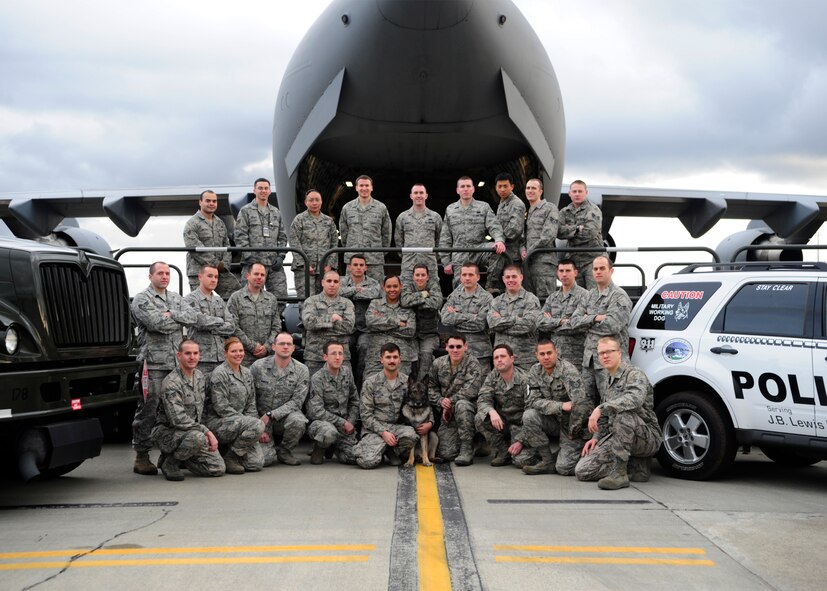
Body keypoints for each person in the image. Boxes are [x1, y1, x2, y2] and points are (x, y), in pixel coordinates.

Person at [131, 261, 197, 476]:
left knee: (176, 409)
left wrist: (170, 314)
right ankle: (142, 455)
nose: (165, 276)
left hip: (175, 365)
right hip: (154, 364)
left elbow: (192, 317)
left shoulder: (176, 298)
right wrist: (174, 317)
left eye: (167, 273)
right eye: (160, 273)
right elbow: (156, 324)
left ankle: (170, 454)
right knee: (149, 408)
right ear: (150, 276)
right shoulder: (142, 299)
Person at [575, 336, 661, 489]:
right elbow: (605, 417)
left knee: (623, 415)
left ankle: (619, 474)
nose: (605, 356)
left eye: (609, 351)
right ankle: (635, 465)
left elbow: (635, 399)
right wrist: (596, 437)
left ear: (620, 353)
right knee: (582, 471)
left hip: (646, 436)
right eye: (601, 353)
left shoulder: (634, 374)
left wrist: (600, 408)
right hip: (619, 436)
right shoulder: (608, 379)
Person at [152, 340, 225, 481]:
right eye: (188, 353)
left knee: (217, 468)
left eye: (195, 353)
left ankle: (180, 456)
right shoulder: (172, 382)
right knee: (197, 438)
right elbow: (177, 419)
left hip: (192, 433)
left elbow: (202, 410)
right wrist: (206, 432)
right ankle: (171, 463)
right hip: (168, 432)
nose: (192, 357)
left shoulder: (199, 376)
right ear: (179, 355)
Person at [568, 255, 633, 406]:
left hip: (610, 362)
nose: (598, 272)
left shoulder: (619, 296)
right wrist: (595, 318)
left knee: (611, 403)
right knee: (585, 404)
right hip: (589, 360)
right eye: (595, 269)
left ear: (611, 271)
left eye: (602, 268)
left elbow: (612, 325)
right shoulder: (589, 295)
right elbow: (574, 322)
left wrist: (587, 320)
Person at [522, 340, 592, 475]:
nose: (546, 357)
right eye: (542, 354)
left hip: (574, 424)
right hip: (554, 420)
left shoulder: (568, 370)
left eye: (549, 353)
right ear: (536, 355)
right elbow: (532, 401)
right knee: (529, 416)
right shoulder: (535, 371)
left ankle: (574, 451)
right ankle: (547, 461)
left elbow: (580, 404)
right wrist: (560, 406)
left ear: (556, 353)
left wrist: (573, 432)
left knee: (564, 468)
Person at [355, 343, 424, 469]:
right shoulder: (371, 383)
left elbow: (422, 403)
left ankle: (388, 450)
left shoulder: (407, 382)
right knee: (367, 462)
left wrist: (430, 421)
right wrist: (383, 433)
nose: (392, 360)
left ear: (400, 359)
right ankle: (381, 449)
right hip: (375, 429)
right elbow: (366, 415)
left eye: (395, 357)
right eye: (388, 357)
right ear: (381, 359)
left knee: (411, 437)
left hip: (397, 427)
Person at [205, 337, 265, 474]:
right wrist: (249, 423)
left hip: (241, 423)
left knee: (256, 464)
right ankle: (231, 457)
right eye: (233, 351)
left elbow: (251, 404)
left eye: (241, 350)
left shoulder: (247, 373)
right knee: (257, 425)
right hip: (219, 422)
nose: (238, 354)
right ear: (225, 353)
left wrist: (250, 422)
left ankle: (229, 449)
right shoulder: (220, 374)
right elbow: (221, 407)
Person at [439, 176, 506, 292]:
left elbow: (494, 226)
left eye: (468, 186)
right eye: (462, 186)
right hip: (460, 252)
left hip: (479, 248)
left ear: (473, 189)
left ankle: (491, 285)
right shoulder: (450, 209)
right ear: (457, 190)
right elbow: (445, 237)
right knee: (459, 287)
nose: (465, 189)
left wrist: (499, 240)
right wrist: (446, 261)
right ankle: (459, 306)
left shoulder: (483, 207)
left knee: (497, 250)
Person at [251, 333, 309, 466]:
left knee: (299, 421)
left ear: (294, 348)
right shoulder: (258, 367)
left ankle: (285, 451)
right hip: (261, 418)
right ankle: (268, 450)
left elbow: (297, 401)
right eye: (282, 344)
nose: (285, 347)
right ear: (273, 347)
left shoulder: (301, 369)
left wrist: (272, 415)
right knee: (264, 461)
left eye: (289, 344)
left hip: (284, 416)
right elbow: (250, 398)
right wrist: (257, 424)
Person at [474, 344, 535, 468]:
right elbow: (483, 398)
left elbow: (533, 413)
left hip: (522, 426)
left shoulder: (525, 379)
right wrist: (491, 411)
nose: (499, 360)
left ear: (512, 359)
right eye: (496, 358)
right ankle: (503, 451)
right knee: (480, 417)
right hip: (503, 423)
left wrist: (521, 441)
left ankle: (533, 451)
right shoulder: (493, 376)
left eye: (503, 356)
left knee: (521, 462)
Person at [428, 334, 483, 466]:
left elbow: (471, 390)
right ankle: (474, 444)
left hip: (469, 411)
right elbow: (431, 387)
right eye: (451, 346)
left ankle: (467, 447)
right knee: (447, 454)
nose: (455, 350)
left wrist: (449, 402)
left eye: (459, 346)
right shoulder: (438, 364)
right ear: (446, 347)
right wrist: (440, 400)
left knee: (461, 404)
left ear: (465, 347)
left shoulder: (473, 363)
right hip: (447, 413)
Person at [305, 341, 360, 465]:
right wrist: (342, 422)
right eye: (333, 353)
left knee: (354, 458)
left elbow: (355, 401)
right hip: (323, 424)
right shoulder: (317, 378)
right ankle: (319, 449)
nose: (337, 357)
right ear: (325, 357)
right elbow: (316, 412)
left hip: (344, 426)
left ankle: (335, 448)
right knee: (329, 433)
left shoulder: (347, 373)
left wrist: (350, 422)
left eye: (340, 353)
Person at [234, 178, 288, 298]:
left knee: (280, 295)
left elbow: (282, 236)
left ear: (269, 191)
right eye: (260, 188)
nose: (263, 191)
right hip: (252, 264)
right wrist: (250, 258)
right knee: (248, 297)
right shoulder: (245, 211)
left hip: (274, 264)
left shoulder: (276, 212)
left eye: (266, 188)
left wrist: (281, 256)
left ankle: (277, 316)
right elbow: (240, 236)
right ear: (254, 190)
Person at [183, 189, 240, 299]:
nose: (211, 204)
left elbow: (226, 245)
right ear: (200, 202)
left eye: (214, 201)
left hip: (220, 271)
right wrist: (216, 264)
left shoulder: (220, 223)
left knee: (235, 294)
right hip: (199, 272)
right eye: (208, 201)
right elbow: (194, 248)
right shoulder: (192, 224)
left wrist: (225, 265)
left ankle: (227, 316)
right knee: (200, 302)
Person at [440, 262, 494, 373]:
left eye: (470, 275)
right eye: (464, 275)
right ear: (460, 277)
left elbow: (480, 324)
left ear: (478, 277)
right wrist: (472, 316)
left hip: (480, 353)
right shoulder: (455, 295)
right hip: (458, 353)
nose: (467, 278)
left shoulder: (486, 298)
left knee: (482, 387)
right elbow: (445, 319)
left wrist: (456, 316)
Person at [183, 264, 236, 375]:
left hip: (221, 358)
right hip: (200, 359)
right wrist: (220, 321)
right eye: (210, 276)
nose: (213, 280)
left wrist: (210, 327)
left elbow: (231, 327)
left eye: (216, 277)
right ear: (200, 277)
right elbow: (200, 322)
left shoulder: (219, 301)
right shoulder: (190, 299)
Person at [339, 254, 383, 386]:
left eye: (361, 265)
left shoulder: (373, 283)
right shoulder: (341, 282)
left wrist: (351, 293)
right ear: (349, 267)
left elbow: (374, 293)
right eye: (355, 265)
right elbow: (337, 292)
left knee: (364, 347)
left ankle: (359, 384)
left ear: (365, 268)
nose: (358, 268)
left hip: (365, 328)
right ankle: (346, 383)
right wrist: (356, 289)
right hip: (346, 327)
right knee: (342, 350)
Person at [486, 264, 541, 369]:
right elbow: (492, 324)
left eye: (514, 276)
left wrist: (501, 323)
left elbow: (527, 326)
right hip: (502, 359)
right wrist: (516, 319)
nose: (510, 280)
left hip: (525, 360)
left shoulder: (531, 300)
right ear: (503, 279)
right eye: (507, 277)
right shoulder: (496, 301)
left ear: (521, 277)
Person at [339, 175, 392, 283]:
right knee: (351, 289)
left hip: (374, 259)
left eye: (367, 185)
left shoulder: (381, 208)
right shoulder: (347, 208)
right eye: (361, 185)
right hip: (353, 258)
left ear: (371, 187)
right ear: (356, 188)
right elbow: (343, 233)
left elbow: (386, 233)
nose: (364, 188)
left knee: (376, 290)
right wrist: (351, 248)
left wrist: (381, 251)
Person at [226, 263, 281, 366]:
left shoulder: (271, 299)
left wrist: (267, 347)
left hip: (267, 357)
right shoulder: (236, 298)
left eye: (262, 275)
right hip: (243, 356)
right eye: (256, 274)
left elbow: (276, 326)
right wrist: (252, 346)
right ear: (247, 276)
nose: (259, 277)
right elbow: (233, 327)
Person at [301, 270, 356, 375]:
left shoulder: (347, 303)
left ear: (339, 284)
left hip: (340, 357)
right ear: (322, 283)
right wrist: (332, 318)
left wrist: (320, 324)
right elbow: (309, 322)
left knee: (343, 388)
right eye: (329, 281)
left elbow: (348, 327)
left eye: (335, 281)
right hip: (315, 356)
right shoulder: (311, 301)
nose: (332, 284)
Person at [538, 259, 589, 367]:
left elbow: (581, 325)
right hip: (554, 356)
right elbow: (540, 323)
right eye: (561, 271)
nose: (564, 274)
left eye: (568, 270)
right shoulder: (552, 297)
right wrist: (561, 321)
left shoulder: (585, 296)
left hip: (576, 355)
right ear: (557, 273)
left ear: (575, 272)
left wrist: (552, 323)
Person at [288, 188, 338, 298]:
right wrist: (305, 263)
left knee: (325, 300)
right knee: (306, 299)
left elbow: (334, 243)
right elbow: (294, 242)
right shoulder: (299, 220)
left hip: (325, 269)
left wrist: (329, 265)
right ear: (306, 202)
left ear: (321, 201)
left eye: (317, 200)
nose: (314, 203)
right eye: (311, 200)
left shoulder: (329, 221)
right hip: (304, 269)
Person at [364, 275, 417, 377]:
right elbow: (370, 323)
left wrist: (381, 328)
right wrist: (397, 323)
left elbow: (410, 330)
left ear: (401, 286)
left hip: (401, 356)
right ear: (384, 287)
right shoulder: (375, 304)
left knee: (401, 388)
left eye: (395, 286)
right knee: (371, 386)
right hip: (376, 354)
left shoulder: (407, 307)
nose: (392, 289)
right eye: (388, 287)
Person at [558, 180, 604, 288]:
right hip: (573, 262)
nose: (577, 194)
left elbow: (589, 234)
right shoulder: (564, 212)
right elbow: (558, 232)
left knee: (593, 295)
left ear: (586, 192)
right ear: (569, 193)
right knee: (576, 297)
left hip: (592, 261)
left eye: (580, 191)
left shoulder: (593, 210)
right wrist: (577, 229)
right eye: (574, 191)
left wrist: (569, 231)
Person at [394, 183, 442, 286]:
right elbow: (398, 240)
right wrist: (406, 255)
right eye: (416, 193)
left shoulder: (435, 217)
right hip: (408, 264)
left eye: (421, 193)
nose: (418, 195)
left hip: (430, 263)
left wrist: (434, 256)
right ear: (411, 196)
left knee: (432, 289)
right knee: (406, 289)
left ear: (426, 195)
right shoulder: (403, 217)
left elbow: (440, 239)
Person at [400, 265, 442, 381]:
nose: (420, 278)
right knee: (411, 357)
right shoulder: (408, 286)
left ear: (427, 277)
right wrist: (424, 294)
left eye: (423, 275)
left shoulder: (433, 286)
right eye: (417, 275)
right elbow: (404, 301)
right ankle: (411, 386)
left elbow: (436, 303)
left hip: (429, 334)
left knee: (426, 355)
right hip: (411, 334)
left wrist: (414, 302)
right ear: (413, 277)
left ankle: (421, 386)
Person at [521, 178, 559, 302]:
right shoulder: (528, 212)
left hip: (544, 266)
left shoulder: (549, 208)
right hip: (529, 265)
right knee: (531, 302)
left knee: (546, 302)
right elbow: (523, 237)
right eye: (528, 188)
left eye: (533, 188)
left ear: (541, 191)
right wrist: (522, 250)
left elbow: (548, 236)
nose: (530, 191)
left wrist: (529, 251)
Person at [494, 173, 526, 285]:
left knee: (513, 286)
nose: (502, 189)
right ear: (496, 187)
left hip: (512, 255)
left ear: (512, 186)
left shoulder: (516, 204)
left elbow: (514, 230)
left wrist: (498, 239)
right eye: (499, 186)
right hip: (503, 253)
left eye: (505, 186)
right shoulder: (502, 202)